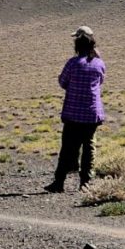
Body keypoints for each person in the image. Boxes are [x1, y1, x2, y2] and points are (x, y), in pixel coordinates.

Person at [45, 26, 106, 193]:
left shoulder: (72, 63)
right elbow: (100, 82)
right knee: (89, 147)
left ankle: (59, 182)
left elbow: (63, 82)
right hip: (92, 114)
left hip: (72, 113)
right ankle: (86, 183)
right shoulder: (99, 64)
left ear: (78, 43)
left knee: (67, 148)